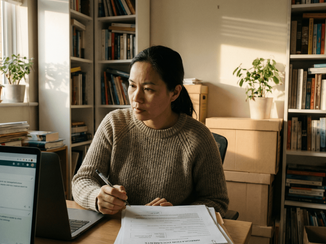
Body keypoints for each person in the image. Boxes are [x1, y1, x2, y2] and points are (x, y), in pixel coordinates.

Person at [72, 45, 229, 216]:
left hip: (171, 236)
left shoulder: (198, 137)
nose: (135, 97)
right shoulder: (115, 123)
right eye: (132, 85)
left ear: (175, 93)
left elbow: (216, 201)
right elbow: (83, 180)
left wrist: (177, 214)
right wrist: (97, 197)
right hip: (116, 229)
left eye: (148, 89)